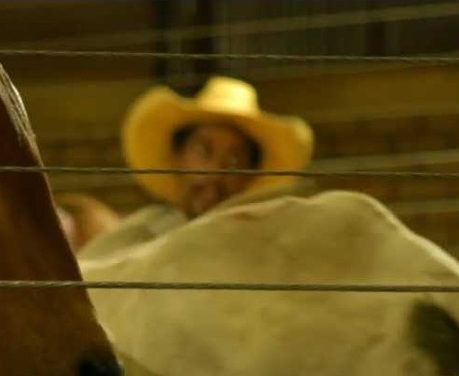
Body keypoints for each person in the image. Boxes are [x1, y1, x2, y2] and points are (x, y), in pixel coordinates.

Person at [77, 76, 316, 260]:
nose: (215, 171)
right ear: (179, 157)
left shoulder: (262, 251)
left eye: (234, 162)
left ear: (249, 177)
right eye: (204, 152)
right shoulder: (138, 235)